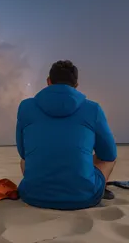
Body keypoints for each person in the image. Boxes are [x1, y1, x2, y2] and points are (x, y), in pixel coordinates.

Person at [15, 60, 117, 210]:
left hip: (33, 196)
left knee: (24, 161)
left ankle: (42, 189)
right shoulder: (93, 109)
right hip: (84, 198)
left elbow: (23, 152)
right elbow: (109, 154)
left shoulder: (25, 107)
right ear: (76, 86)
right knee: (108, 159)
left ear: (48, 82)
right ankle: (89, 187)